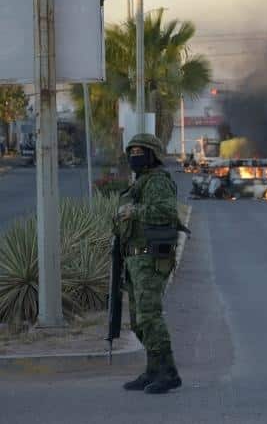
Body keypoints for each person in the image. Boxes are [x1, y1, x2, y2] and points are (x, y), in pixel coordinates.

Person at [114, 133, 182, 394]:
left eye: (140, 152)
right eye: (131, 151)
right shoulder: (140, 182)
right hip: (134, 258)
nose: (134, 156)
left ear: (153, 155)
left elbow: (165, 211)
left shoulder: (157, 181)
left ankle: (168, 372)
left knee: (150, 317)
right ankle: (153, 369)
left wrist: (134, 211)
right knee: (138, 321)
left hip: (151, 257)